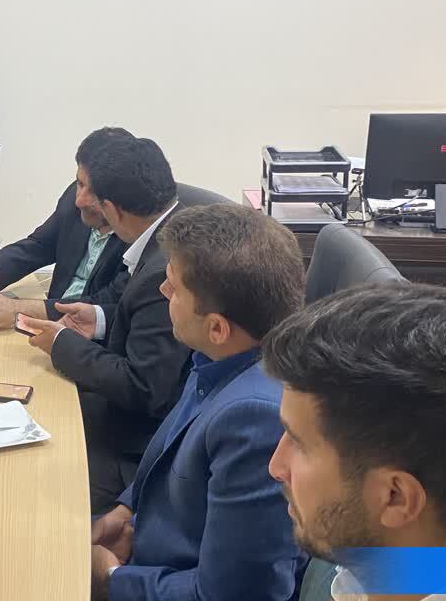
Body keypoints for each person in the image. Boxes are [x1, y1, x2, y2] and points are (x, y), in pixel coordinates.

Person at [264, 283, 446, 601]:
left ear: (395, 498)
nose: (275, 467)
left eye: (298, 442)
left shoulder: (341, 534)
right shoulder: (348, 555)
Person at [90, 204, 308, 601]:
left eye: (174, 288)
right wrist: (125, 514)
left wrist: (111, 579)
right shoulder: (219, 357)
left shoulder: (256, 419)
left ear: (217, 328)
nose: (162, 291)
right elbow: (169, 459)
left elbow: (236, 595)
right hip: (145, 552)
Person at [20, 138, 189, 512]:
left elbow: (143, 388)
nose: (80, 200)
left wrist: (62, 344)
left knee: (22, 481)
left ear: (112, 209)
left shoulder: (161, 271)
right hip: (137, 421)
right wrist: (98, 319)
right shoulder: (171, 233)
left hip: (134, 449)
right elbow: (148, 326)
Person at [0, 128, 132, 330]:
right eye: (80, 183)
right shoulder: (76, 200)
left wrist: (16, 309)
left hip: (90, 335)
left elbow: (106, 306)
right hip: (49, 325)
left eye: (94, 192)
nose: (79, 200)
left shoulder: (136, 235)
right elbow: (39, 246)